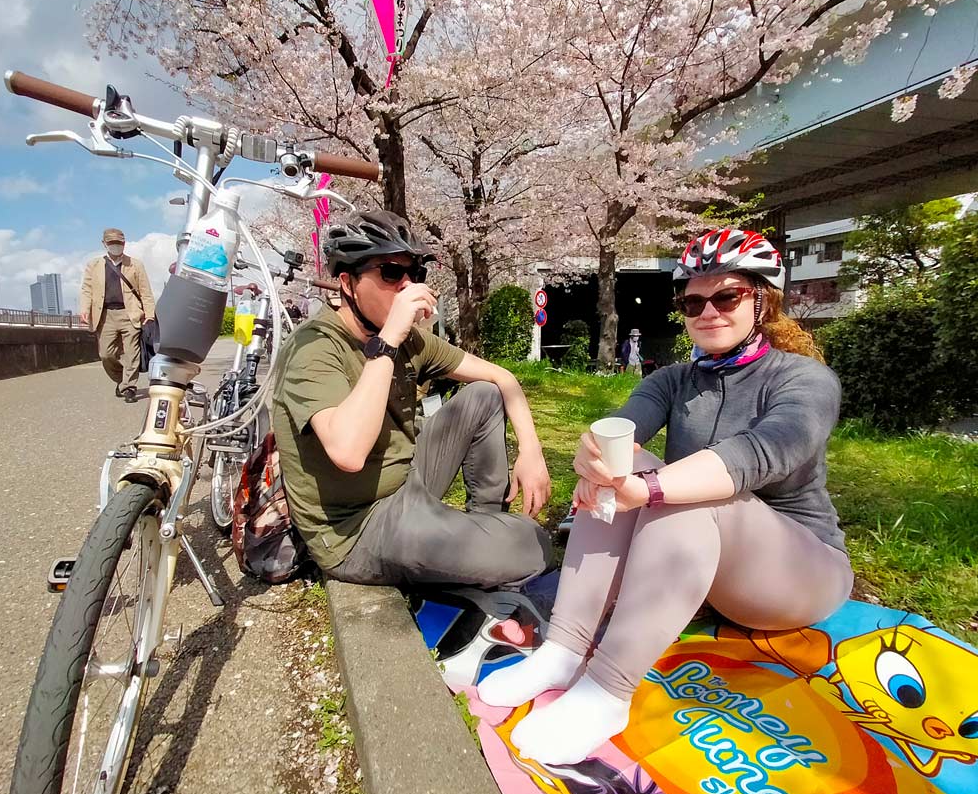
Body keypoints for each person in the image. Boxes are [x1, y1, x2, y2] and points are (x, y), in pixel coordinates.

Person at [478, 228, 853, 765]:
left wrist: (649, 489)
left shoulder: (804, 380)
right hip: (707, 573)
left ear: (762, 300)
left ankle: (608, 690)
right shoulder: (675, 379)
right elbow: (621, 430)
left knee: (674, 492)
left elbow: (761, 454)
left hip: (800, 574)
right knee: (629, 469)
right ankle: (563, 649)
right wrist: (596, 461)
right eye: (692, 301)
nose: (708, 311)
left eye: (727, 297)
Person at [272, 209, 553, 588]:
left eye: (414, 274)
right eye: (390, 272)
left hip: (407, 480)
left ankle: (484, 523)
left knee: (484, 395)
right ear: (347, 283)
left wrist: (531, 450)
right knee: (534, 546)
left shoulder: (408, 339)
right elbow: (348, 452)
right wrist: (387, 341)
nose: (406, 286)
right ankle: (484, 550)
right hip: (358, 528)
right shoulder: (314, 348)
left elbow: (500, 377)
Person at [78, 228, 157, 403]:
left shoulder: (135, 265)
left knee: (131, 352)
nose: (116, 247)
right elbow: (87, 290)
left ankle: (129, 387)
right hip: (105, 315)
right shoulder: (94, 265)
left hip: (130, 313)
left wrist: (149, 314)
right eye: (112, 243)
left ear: (124, 244)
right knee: (106, 354)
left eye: (119, 243)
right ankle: (121, 380)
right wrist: (84, 309)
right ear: (104, 244)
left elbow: (145, 292)